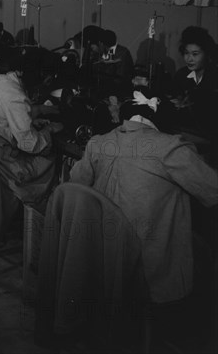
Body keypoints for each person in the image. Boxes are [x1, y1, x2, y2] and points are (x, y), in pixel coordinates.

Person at [70, 91, 218, 305]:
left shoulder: (98, 143)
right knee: (204, 247)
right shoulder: (170, 147)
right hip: (147, 268)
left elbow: (74, 184)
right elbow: (212, 189)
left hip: (101, 256)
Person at [0, 55, 63, 215]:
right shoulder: (16, 97)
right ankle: (36, 216)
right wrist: (50, 130)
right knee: (50, 157)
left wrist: (29, 119)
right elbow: (30, 144)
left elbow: (3, 115)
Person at [172, 26, 218, 132]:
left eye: (195, 54)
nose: (189, 59)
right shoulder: (181, 75)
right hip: (185, 130)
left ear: (207, 54)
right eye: (186, 53)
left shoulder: (215, 76)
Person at [92, 29, 134, 97]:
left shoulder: (121, 53)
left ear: (101, 43)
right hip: (112, 88)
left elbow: (119, 77)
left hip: (119, 91)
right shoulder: (112, 51)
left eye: (99, 43)